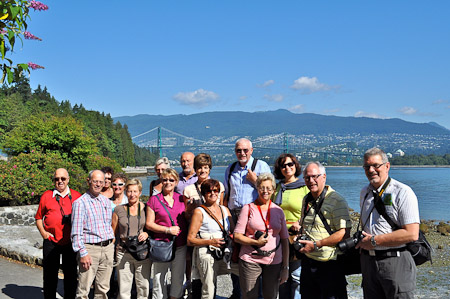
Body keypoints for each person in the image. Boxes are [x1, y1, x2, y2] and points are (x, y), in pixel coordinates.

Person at [356, 147, 419, 299]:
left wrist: (373, 241)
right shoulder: (365, 192)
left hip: (395, 260)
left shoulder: (403, 192)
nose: (371, 170)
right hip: (368, 263)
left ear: (387, 166)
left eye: (376, 165)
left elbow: (412, 233)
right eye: (367, 166)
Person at [295, 161, 351, 299]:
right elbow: (304, 226)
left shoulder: (337, 200)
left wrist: (316, 244)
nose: (311, 181)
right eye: (307, 178)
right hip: (308, 262)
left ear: (324, 177)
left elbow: (345, 233)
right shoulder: (306, 199)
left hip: (330, 263)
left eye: (315, 176)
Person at [224, 138, 271, 298]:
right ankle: (237, 293)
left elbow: (270, 191)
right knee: (236, 256)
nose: (242, 153)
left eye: (245, 150)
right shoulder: (230, 169)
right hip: (235, 216)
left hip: (255, 216)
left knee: (257, 253)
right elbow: (227, 196)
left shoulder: (261, 166)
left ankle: (258, 294)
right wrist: (228, 218)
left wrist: (255, 180)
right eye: (238, 150)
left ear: (251, 150)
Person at [234, 173, 289, 299]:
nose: (265, 191)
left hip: (273, 260)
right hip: (250, 259)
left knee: (271, 295)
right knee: (250, 295)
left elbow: (285, 240)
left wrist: (285, 267)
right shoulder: (248, 208)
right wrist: (255, 243)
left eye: (269, 188)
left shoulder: (278, 211)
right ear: (257, 188)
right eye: (262, 188)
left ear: (274, 190)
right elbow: (237, 236)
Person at [35, 168, 82, 299]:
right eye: (57, 179)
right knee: (49, 276)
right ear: (53, 180)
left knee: (71, 276)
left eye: (63, 178)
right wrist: (44, 233)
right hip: (51, 241)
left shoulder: (77, 196)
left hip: (70, 242)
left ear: (68, 179)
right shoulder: (46, 196)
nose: (60, 181)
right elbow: (38, 217)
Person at [71, 170, 115, 299]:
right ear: (88, 181)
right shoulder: (80, 203)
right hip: (90, 249)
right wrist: (83, 253)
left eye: (101, 182)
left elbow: (108, 224)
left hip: (107, 249)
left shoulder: (105, 201)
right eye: (95, 181)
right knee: (83, 290)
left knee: (103, 289)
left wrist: (111, 241)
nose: (98, 184)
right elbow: (76, 233)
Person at [187, 179, 234, 299]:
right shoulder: (199, 212)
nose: (213, 193)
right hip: (207, 252)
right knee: (209, 287)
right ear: (203, 194)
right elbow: (190, 239)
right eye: (209, 191)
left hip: (225, 251)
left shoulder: (225, 210)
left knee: (238, 275)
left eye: (216, 190)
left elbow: (233, 232)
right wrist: (210, 241)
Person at [146, 168, 188, 299]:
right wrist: (167, 230)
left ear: (176, 182)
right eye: (165, 180)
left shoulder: (182, 199)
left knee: (178, 278)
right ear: (161, 181)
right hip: (161, 245)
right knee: (159, 279)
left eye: (171, 180)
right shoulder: (154, 200)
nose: (168, 182)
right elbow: (149, 224)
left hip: (180, 244)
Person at [273, 154, 308, 299]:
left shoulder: (304, 187)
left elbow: (311, 211)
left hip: (295, 237)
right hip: (278, 237)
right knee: (280, 277)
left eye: (290, 164)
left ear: (296, 166)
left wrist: (299, 223)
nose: (287, 168)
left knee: (296, 276)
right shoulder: (276, 188)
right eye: (283, 165)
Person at [112, 179, 151, 299]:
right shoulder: (118, 209)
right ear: (125, 192)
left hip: (142, 252)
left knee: (143, 287)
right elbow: (113, 232)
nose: (132, 194)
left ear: (140, 192)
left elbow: (151, 226)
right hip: (123, 252)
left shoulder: (146, 208)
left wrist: (147, 234)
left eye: (135, 191)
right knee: (124, 289)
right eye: (129, 191)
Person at [184, 153, 225, 220]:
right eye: (200, 168)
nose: (203, 171)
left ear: (209, 169)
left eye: (205, 167)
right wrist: (190, 209)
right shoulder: (188, 190)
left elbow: (222, 208)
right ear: (195, 170)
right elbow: (186, 215)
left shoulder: (219, 185)